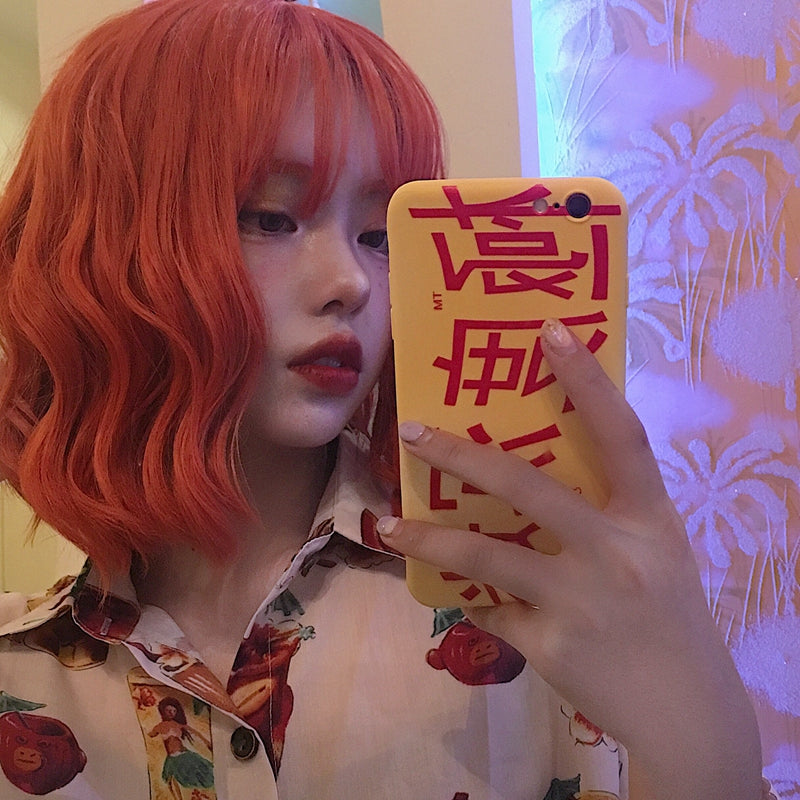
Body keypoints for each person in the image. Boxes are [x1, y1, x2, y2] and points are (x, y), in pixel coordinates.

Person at [0, 1, 766, 798]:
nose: (353, 283)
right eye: (271, 217)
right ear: (101, 246)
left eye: (379, 235)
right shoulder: (20, 679)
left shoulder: (531, 621)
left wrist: (704, 744)